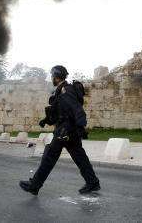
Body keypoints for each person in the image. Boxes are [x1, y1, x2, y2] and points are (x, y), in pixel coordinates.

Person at [19, 65, 100, 195]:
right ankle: (92, 182)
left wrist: (80, 127)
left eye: (52, 76)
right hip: (68, 131)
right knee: (80, 157)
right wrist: (46, 120)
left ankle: (34, 185)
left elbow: (77, 110)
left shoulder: (65, 91)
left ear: (56, 77)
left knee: (49, 156)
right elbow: (60, 113)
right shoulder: (61, 90)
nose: (52, 78)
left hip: (65, 131)